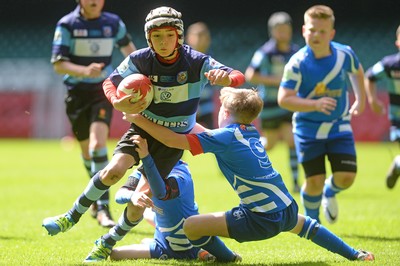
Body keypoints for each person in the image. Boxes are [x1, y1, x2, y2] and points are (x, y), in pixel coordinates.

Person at [42, 5, 245, 253]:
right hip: (143, 129)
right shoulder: (140, 59)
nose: (163, 42)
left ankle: (106, 244)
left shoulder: (196, 61)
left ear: (179, 36)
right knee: (112, 171)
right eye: (156, 36)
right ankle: (70, 217)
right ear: (149, 37)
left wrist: (227, 78)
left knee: (140, 201)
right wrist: (116, 100)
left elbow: (237, 75)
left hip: (172, 141)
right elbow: (110, 81)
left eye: (169, 35)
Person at [125, 87, 374, 262]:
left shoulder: (224, 137)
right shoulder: (247, 131)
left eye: (222, 108)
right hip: (285, 206)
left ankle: (226, 258)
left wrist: (139, 119)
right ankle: (354, 254)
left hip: (259, 218)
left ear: (225, 114)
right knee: (307, 226)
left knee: (192, 227)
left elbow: (173, 140)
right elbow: (204, 133)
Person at [277, 5, 367, 224]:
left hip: (339, 125)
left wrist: (361, 99)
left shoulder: (345, 53)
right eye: (312, 30)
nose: (316, 35)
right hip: (308, 129)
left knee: (346, 178)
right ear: (303, 30)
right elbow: (284, 99)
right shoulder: (297, 63)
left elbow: (357, 71)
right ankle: (313, 225)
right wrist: (314, 105)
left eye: (322, 31)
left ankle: (330, 191)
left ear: (332, 34)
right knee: (314, 181)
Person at [50, 0, 136, 227]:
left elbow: (131, 53)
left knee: (97, 145)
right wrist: (84, 71)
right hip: (76, 95)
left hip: (102, 91)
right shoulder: (67, 24)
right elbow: (58, 64)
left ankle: (103, 209)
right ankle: (97, 201)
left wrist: (141, 75)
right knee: (87, 154)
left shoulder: (113, 23)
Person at [85, 158, 219, 262]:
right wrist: (133, 195)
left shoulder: (179, 171)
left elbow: (162, 192)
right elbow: (119, 195)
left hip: (190, 241)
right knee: (115, 255)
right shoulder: (142, 171)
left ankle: (201, 251)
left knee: (155, 210)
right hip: (163, 245)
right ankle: (152, 242)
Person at [245, 11, 301, 193]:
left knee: (292, 140)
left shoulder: (295, 52)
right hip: (269, 104)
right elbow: (251, 74)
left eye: (286, 29)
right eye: (279, 30)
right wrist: (278, 80)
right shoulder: (265, 52)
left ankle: (295, 183)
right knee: (270, 143)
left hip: (288, 102)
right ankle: (247, 153)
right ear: (272, 31)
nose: (283, 33)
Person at [364, 25, 400, 189]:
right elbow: (370, 76)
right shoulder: (390, 64)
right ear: (397, 43)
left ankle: (398, 164)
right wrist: (372, 100)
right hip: (397, 118)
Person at [186, 21, 216, 128]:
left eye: (205, 35)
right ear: (188, 38)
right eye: (198, 35)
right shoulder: (184, 59)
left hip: (207, 107)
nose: (202, 39)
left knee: (210, 140)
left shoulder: (210, 58)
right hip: (188, 109)